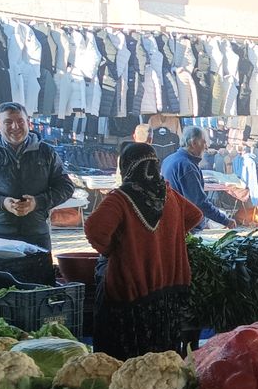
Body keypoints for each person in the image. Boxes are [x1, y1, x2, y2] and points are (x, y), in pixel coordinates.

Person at [84, 143, 204, 359]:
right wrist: (169, 237)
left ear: (126, 167)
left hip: (131, 295)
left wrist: (112, 250)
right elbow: (195, 215)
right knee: (162, 360)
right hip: (167, 296)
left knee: (125, 363)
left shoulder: (121, 198)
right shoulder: (167, 193)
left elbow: (94, 229)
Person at [0, 102, 74, 250]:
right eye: (8, 122)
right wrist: (1, 202)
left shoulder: (46, 152)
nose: (15, 127)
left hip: (37, 233)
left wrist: (37, 202)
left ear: (28, 122)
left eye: (20, 121)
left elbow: (66, 187)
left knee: (38, 266)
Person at [162, 126, 236, 231]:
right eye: (204, 142)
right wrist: (225, 220)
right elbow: (199, 203)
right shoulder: (187, 166)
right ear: (193, 143)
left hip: (174, 221)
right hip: (185, 225)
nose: (206, 147)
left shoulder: (169, 159)